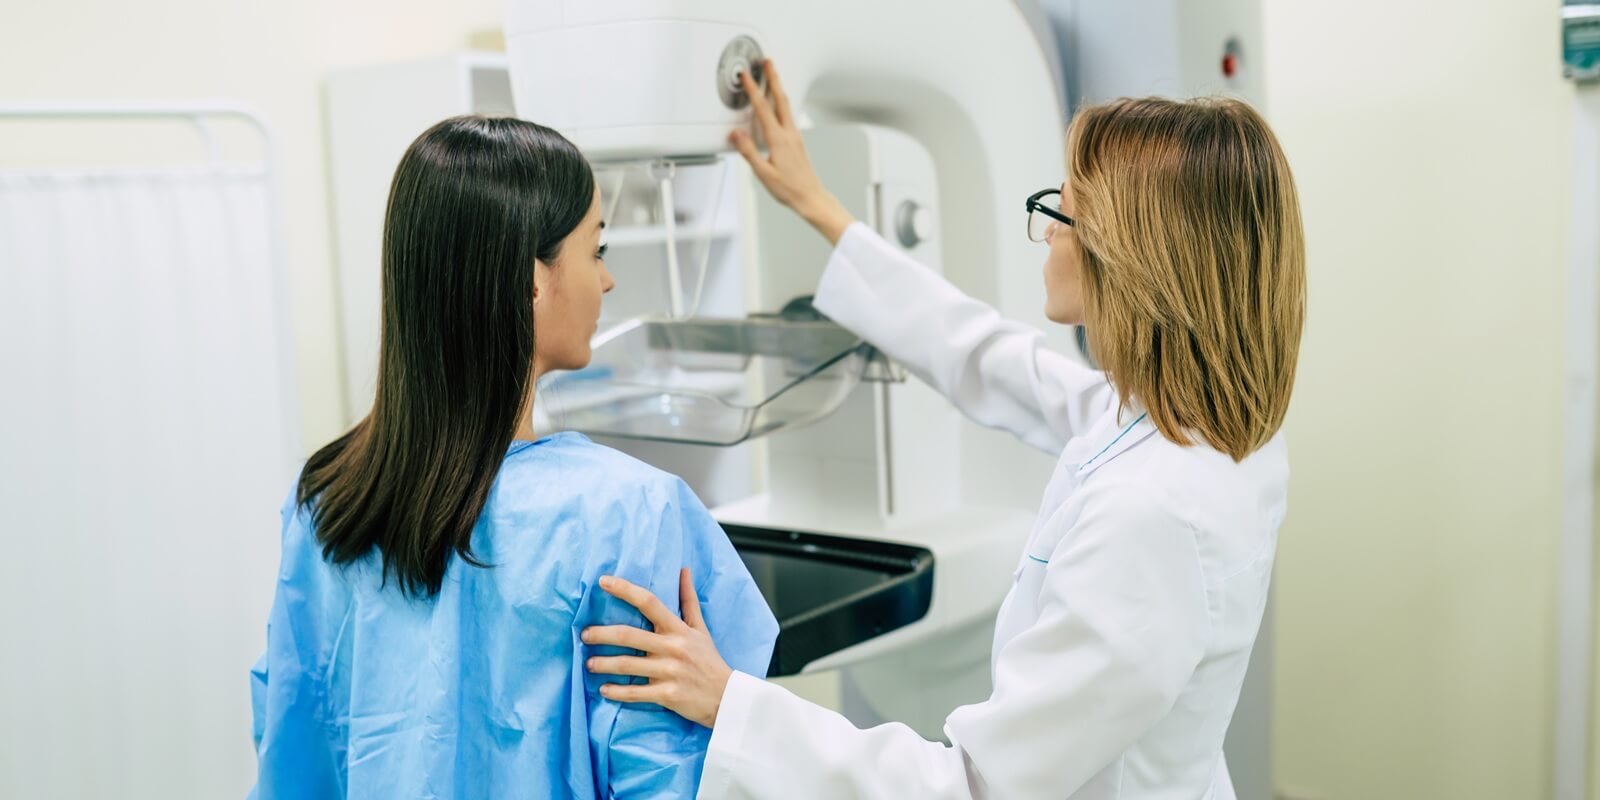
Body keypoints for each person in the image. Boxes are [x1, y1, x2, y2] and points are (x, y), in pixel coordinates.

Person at [582, 61, 1306, 799]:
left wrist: (729, 701)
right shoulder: (1208, 427)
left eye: (1066, 209)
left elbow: (971, 784)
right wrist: (819, 207)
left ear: (1129, 258)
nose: (1047, 229)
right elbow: (996, 360)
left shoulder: (1150, 513)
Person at [248, 115, 777, 799]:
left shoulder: (325, 500)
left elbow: (290, 746)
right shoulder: (628, 513)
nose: (607, 281)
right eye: (596, 250)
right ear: (532, 280)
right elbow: (674, 772)